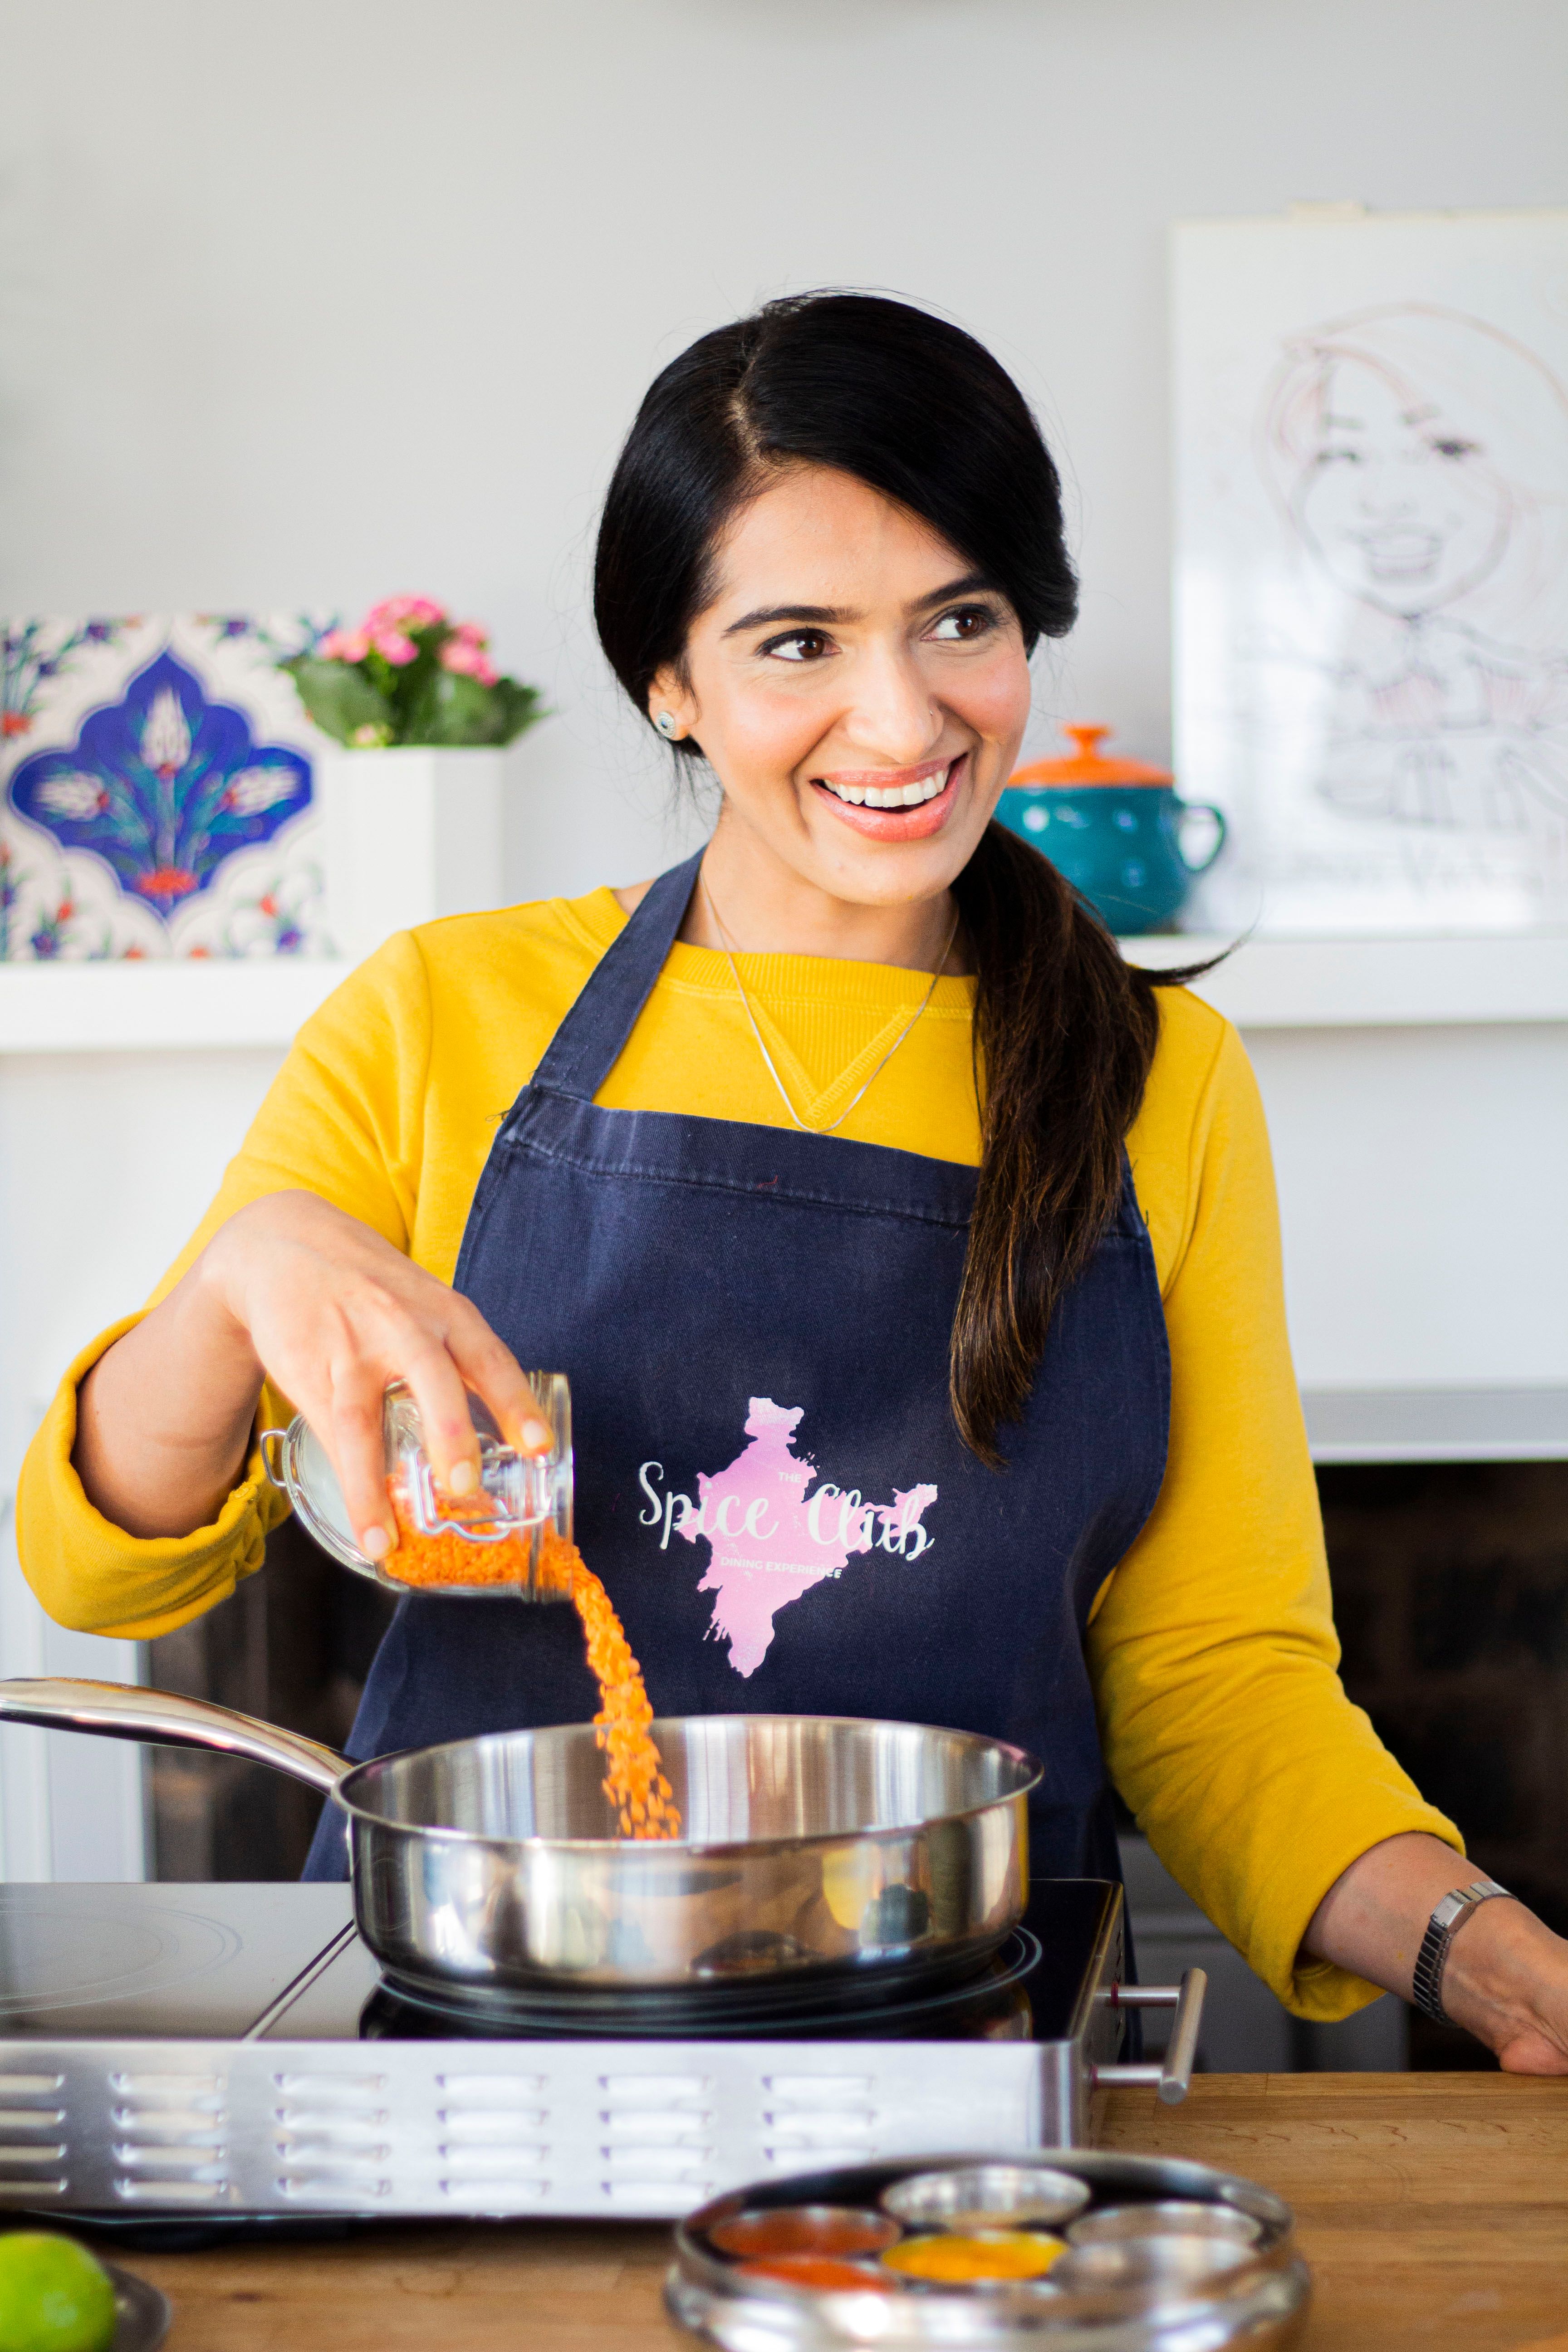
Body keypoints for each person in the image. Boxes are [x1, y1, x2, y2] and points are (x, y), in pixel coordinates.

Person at [20, 293, 1568, 2067]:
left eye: (959, 622)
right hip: (468, 2037)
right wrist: (242, 1269)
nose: (901, 718)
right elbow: (104, 1572)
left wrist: (1490, 1954)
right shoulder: (447, 1014)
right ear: (669, 682)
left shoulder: (1162, 1079)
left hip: (960, 2044)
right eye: (798, 643)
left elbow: (1222, 1674)